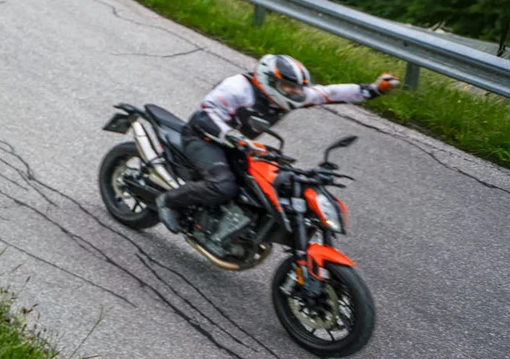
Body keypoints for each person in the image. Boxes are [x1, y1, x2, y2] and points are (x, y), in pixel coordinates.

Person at [157, 54, 398, 234]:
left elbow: (329, 93)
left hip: (241, 146)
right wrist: (233, 136)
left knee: (271, 187)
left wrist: (373, 90)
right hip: (203, 138)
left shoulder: (291, 97)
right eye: (289, 87)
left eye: (297, 88)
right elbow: (204, 116)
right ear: (269, 80)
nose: (294, 92)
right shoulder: (238, 88)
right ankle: (168, 201)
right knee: (223, 186)